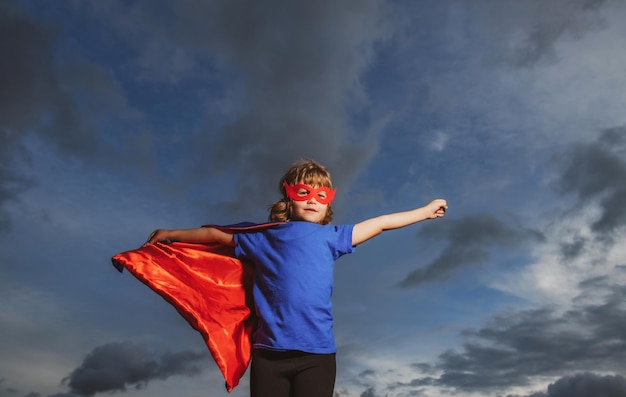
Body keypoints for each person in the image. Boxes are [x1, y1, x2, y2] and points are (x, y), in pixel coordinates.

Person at [144, 159, 447, 397]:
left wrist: (424, 211)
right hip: (270, 355)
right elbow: (214, 234)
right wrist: (172, 234)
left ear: (329, 202)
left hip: (317, 355)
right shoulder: (262, 237)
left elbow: (381, 223)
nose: (312, 200)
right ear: (289, 197)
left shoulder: (333, 237)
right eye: (303, 192)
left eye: (321, 194)